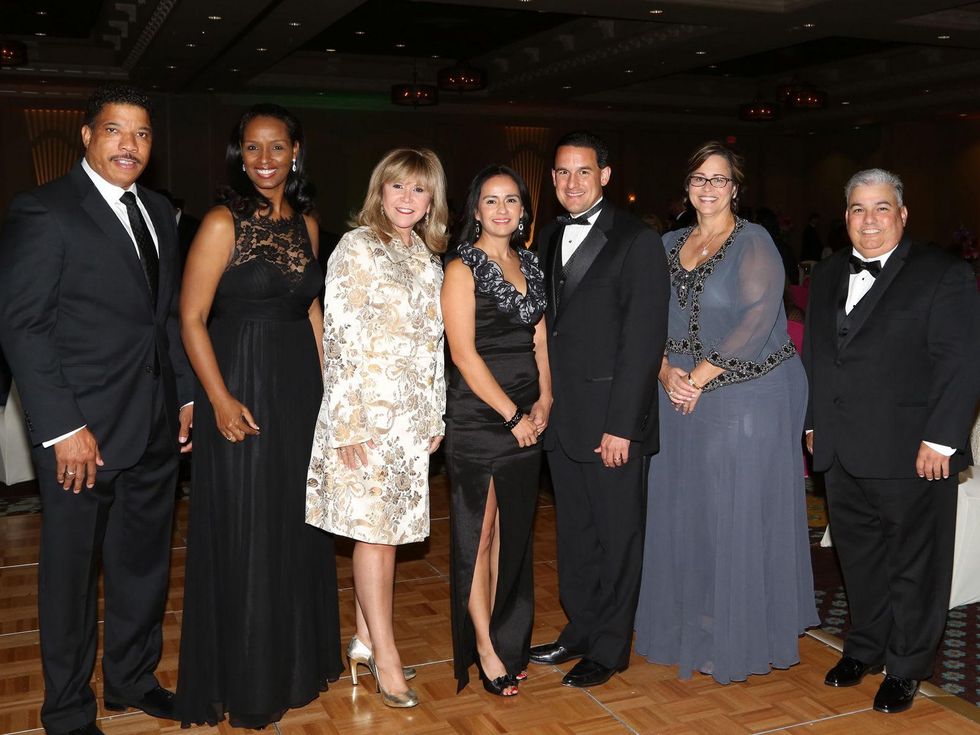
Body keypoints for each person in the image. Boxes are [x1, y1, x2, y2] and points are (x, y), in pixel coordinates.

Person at [0, 84, 192, 735]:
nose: (129, 145)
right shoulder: (45, 210)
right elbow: (24, 327)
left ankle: (132, 680)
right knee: (71, 577)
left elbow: (163, 319)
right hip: (80, 436)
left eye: (140, 133)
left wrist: (185, 394)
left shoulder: (162, 210)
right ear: (87, 135)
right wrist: (61, 428)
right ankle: (67, 708)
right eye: (115, 131)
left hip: (154, 426)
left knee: (143, 566)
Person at [175, 104, 342, 728]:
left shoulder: (308, 224)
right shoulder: (222, 222)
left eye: (277, 148)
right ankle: (245, 679)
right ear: (238, 154)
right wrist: (217, 398)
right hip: (240, 384)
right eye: (252, 148)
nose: (265, 160)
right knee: (246, 527)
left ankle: (293, 664)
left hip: (298, 390)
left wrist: (334, 392)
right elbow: (191, 318)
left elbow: (312, 312)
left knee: (294, 526)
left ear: (296, 151)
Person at [633, 141, 818, 685]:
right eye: (699, 179)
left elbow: (758, 319)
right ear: (686, 188)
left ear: (736, 189)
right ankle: (695, 623)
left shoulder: (753, 240)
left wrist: (696, 377)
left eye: (719, 179)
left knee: (731, 512)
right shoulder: (666, 243)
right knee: (686, 509)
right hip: (679, 389)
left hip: (748, 392)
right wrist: (666, 369)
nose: (708, 188)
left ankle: (740, 633)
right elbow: (646, 314)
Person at [803, 168, 978, 714]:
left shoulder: (943, 273)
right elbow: (817, 354)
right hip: (841, 447)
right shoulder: (832, 271)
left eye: (882, 208)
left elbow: (962, 360)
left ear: (903, 214)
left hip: (914, 451)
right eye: (858, 209)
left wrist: (943, 441)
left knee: (915, 566)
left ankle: (907, 664)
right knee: (859, 558)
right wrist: (813, 422)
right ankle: (865, 647)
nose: (869, 220)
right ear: (846, 215)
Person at [306, 148, 448, 708]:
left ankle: (364, 640)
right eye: (397, 188)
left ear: (432, 199)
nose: (407, 200)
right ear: (379, 192)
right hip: (363, 420)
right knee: (376, 538)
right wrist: (348, 425)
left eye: (419, 190)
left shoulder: (427, 258)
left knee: (386, 534)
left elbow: (434, 348)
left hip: (411, 423)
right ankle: (386, 656)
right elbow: (338, 342)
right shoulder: (356, 247)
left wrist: (434, 414)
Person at [528, 131, 668, 688]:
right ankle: (580, 629)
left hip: (612, 422)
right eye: (562, 173)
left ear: (605, 176)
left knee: (618, 537)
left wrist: (622, 427)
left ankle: (610, 648)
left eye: (583, 172)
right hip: (562, 420)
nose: (571, 182)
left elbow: (643, 340)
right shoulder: (546, 237)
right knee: (576, 536)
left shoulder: (636, 240)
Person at [442, 165, 550, 696]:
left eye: (511, 200)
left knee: (514, 536)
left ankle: (510, 637)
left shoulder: (529, 260)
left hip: (529, 414)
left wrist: (546, 396)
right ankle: (484, 647)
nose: (502, 209)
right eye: (491, 200)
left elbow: (539, 338)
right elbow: (462, 353)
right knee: (479, 536)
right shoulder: (462, 267)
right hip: (481, 417)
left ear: (523, 210)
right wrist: (512, 416)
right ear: (476, 210)